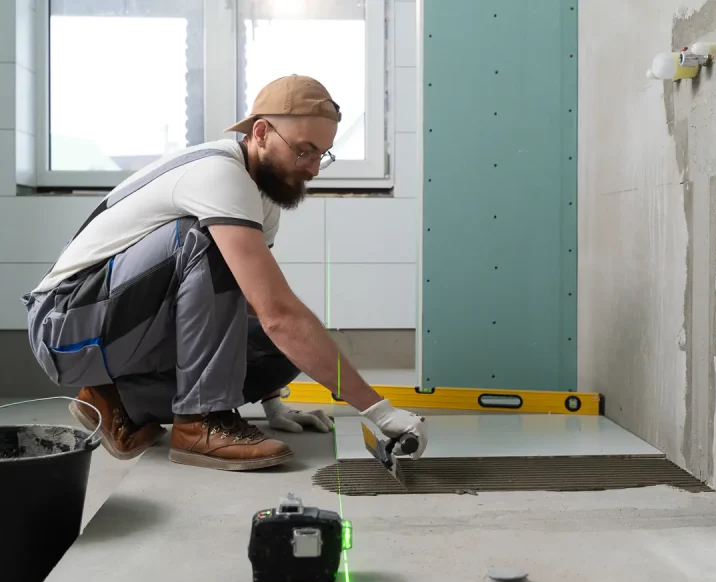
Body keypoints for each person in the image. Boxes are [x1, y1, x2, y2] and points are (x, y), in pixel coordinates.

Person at [21, 75, 428, 471]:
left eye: (322, 154)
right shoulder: (219, 173)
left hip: (120, 327)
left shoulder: (261, 198)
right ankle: (201, 422)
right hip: (64, 326)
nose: (314, 169)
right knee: (215, 250)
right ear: (262, 132)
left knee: (281, 346)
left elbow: (246, 304)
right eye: (304, 151)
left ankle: (117, 400)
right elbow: (278, 312)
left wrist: (273, 403)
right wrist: (379, 411)